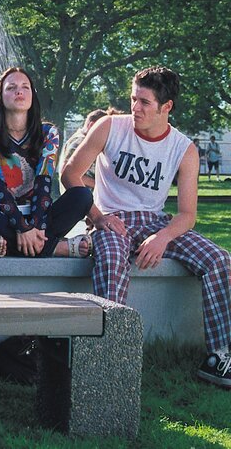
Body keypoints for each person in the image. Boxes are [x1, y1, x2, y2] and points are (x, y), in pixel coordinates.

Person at [61, 66, 231, 388]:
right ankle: (109, 356)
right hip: (112, 218)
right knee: (113, 258)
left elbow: (187, 215)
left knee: (219, 259)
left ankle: (219, 357)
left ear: (167, 107)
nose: (135, 108)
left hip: (155, 221)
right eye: (133, 99)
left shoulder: (184, 149)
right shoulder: (109, 127)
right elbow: (70, 174)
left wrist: (162, 238)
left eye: (144, 102)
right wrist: (97, 217)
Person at [0, 67, 93, 259]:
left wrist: (35, 227)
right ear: (0, 96)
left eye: (25, 87)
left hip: (39, 216)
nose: (19, 91)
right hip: (0, 215)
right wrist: (22, 229)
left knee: (82, 195)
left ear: (32, 95)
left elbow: (43, 183)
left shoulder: (48, 133)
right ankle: (54, 247)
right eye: (11, 87)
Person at [59, 108, 119, 190]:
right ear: (91, 125)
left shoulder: (80, 140)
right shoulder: (80, 141)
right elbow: (66, 172)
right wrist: (100, 185)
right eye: (102, 129)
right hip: (79, 195)